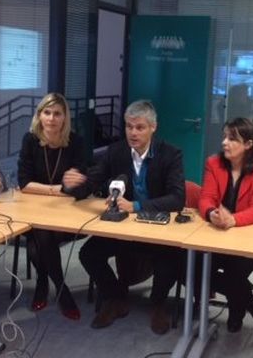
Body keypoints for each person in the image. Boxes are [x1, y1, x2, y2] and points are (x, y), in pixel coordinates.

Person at [63, 100, 185, 335]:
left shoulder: (170, 154)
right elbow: (93, 181)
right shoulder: (116, 151)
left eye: (139, 127)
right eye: (129, 127)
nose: (133, 133)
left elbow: (177, 198)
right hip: (123, 229)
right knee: (89, 253)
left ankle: (158, 303)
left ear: (153, 127)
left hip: (156, 228)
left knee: (171, 258)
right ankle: (116, 297)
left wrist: (136, 206)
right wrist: (72, 185)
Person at [198, 117, 253, 332]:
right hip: (216, 235)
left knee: (234, 270)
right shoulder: (214, 163)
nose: (224, 142)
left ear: (249, 145)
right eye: (224, 136)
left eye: (232, 139)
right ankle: (248, 300)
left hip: (247, 242)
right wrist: (211, 213)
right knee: (191, 264)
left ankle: (237, 309)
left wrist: (232, 220)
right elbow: (205, 198)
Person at [17, 93, 86, 320]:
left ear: (65, 117)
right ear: (39, 115)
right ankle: (62, 290)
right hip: (34, 210)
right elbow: (24, 183)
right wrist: (57, 189)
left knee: (38, 243)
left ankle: (42, 283)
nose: (52, 118)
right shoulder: (30, 140)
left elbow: (80, 181)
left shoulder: (75, 142)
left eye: (57, 113)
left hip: (67, 213)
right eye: (47, 113)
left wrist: (67, 186)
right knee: (41, 233)